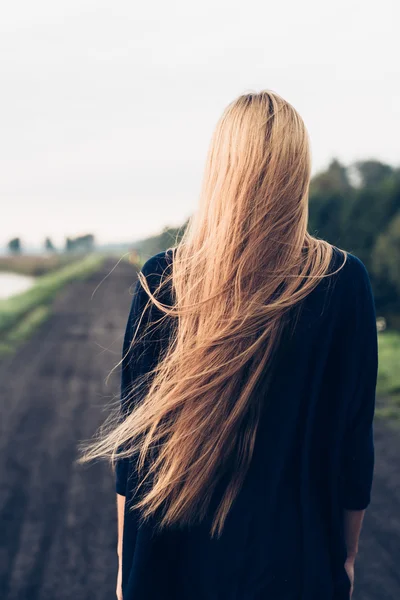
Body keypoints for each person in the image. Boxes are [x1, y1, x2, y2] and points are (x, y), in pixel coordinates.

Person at [82, 90, 378, 600]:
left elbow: (134, 458)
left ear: (220, 171)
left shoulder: (163, 281)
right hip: (295, 573)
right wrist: (345, 559)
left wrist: (125, 567)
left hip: (170, 572)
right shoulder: (343, 283)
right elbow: (353, 451)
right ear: (296, 175)